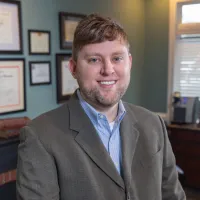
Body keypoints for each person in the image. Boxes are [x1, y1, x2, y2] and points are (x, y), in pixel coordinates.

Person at [16, 14, 186, 200]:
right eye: (94, 60)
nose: (108, 69)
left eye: (117, 58)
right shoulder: (40, 136)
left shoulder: (153, 124)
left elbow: (173, 196)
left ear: (129, 62)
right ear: (73, 68)